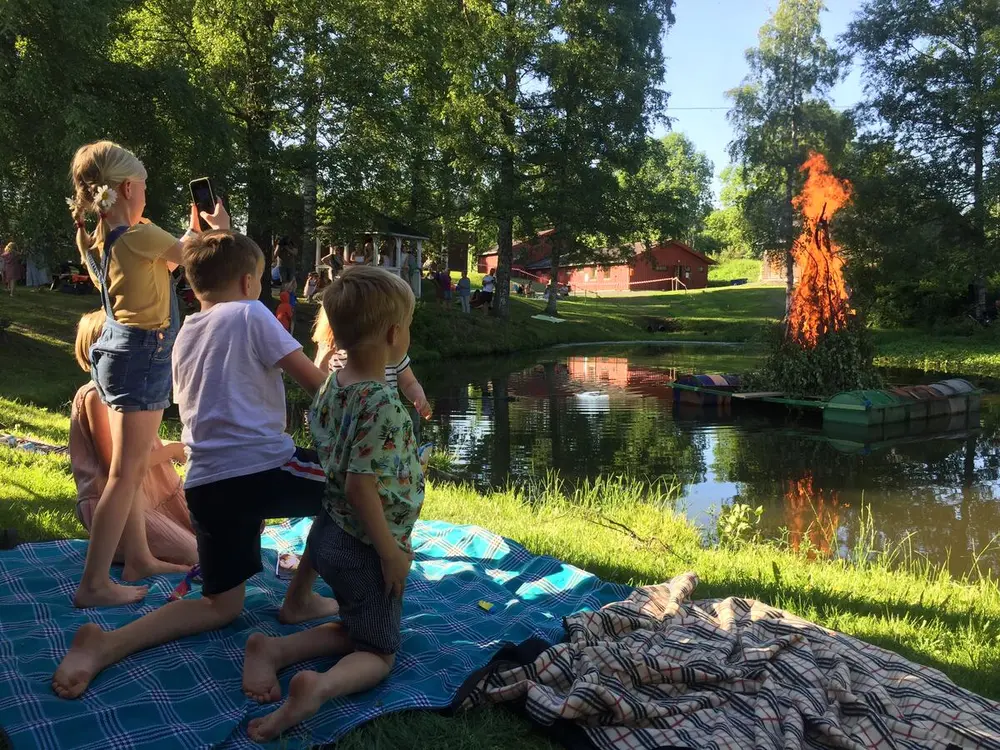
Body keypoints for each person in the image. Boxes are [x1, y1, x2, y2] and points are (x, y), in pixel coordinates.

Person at [52, 230, 338, 701]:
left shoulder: (185, 332)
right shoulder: (253, 313)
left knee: (220, 606)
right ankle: (301, 599)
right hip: (262, 469)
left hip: (206, 484)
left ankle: (107, 644)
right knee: (348, 486)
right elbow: (319, 388)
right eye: (261, 282)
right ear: (249, 282)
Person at [242, 266, 426, 741]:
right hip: (366, 544)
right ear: (393, 334)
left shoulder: (333, 385)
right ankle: (319, 688)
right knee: (379, 653)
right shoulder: (382, 404)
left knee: (357, 623)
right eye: (408, 326)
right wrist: (391, 553)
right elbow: (363, 486)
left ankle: (274, 651)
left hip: (330, 530)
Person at [64, 141, 224, 608]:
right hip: (143, 355)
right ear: (129, 188)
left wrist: (190, 234)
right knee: (124, 474)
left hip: (118, 353)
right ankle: (94, 584)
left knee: (126, 474)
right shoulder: (142, 235)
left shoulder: (110, 239)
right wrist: (218, 232)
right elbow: (196, 265)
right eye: (146, 187)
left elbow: (171, 259)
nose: (146, 195)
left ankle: (138, 557)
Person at [70, 311, 198, 568]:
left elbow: (140, 444)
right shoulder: (96, 396)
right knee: (196, 557)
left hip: (154, 498)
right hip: (121, 509)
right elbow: (113, 465)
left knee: (220, 542)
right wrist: (170, 451)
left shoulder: (131, 397)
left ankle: (136, 549)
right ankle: (121, 549)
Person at [312, 307, 431, 420]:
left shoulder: (393, 353)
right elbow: (319, 386)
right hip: (345, 426)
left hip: (385, 423)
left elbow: (409, 383)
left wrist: (419, 397)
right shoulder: (335, 354)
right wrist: (325, 354)